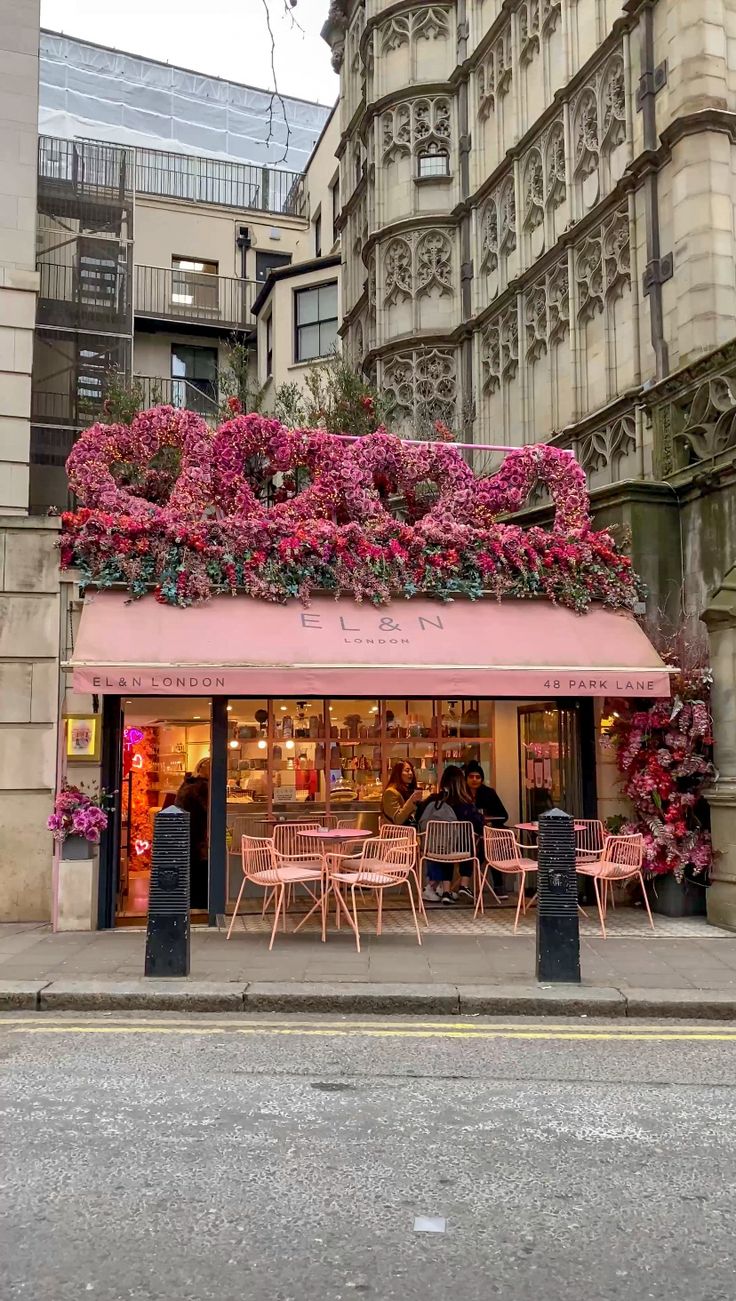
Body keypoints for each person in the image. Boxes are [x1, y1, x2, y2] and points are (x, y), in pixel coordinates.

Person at [417, 765, 484, 905]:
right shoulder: (466, 804)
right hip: (462, 851)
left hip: (437, 849)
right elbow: (478, 825)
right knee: (470, 841)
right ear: (461, 782)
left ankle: (445, 890)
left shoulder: (434, 801)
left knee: (447, 844)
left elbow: (419, 817)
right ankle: (464, 884)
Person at [464, 760, 510, 901]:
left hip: (487, 834)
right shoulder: (461, 793)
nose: (474, 780)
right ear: (466, 778)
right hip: (466, 835)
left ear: (482, 779)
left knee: (489, 847)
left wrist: (489, 821)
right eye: (471, 776)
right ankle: (465, 884)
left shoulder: (489, 793)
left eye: (478, 777)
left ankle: (496, 885)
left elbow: (504, 815)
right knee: (482, 847)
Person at [174, 755, 210, 910]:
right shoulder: (202, 787)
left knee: (191, 869)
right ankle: (200, 904)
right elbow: (208, 810)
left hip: (185, 835)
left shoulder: (188, 783)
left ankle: (192, 902)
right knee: (199, 870)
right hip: (197, 835)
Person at [381, 760, 423, 825]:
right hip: (395, 833)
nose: (411, 773)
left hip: (409, 831)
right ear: (398, 773)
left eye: (411, 770)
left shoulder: (406, 790)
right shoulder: (390, 793)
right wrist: (411, 801)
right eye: (407, 770)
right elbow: (398, 819)